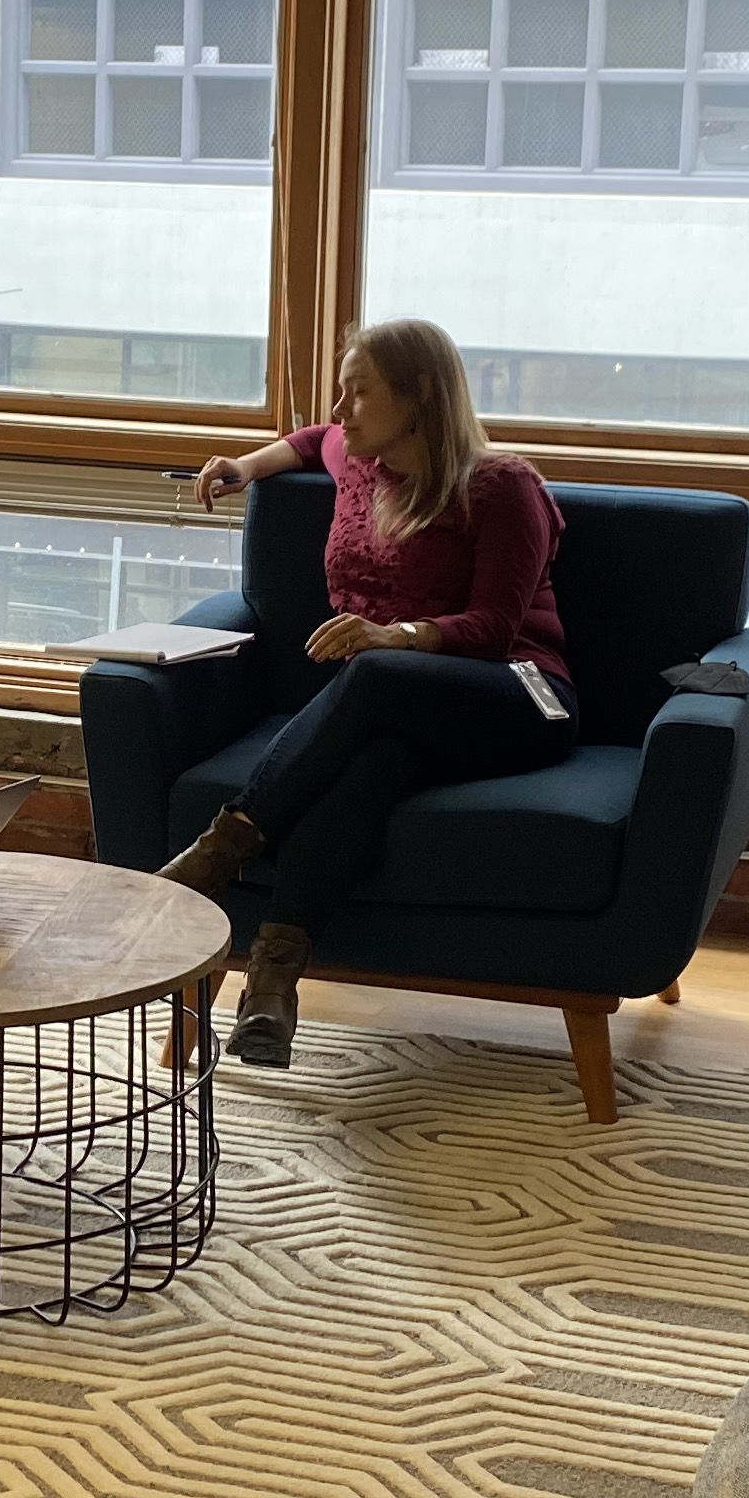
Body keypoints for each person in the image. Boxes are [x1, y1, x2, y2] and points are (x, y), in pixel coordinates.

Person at [156, 317, 574, 1069]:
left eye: (361, 391)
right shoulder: (358, 453)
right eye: (343, 391)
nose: (344, 408)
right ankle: (272, 991)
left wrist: (394, 637)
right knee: (375, 762)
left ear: (419, 396)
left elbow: (492, 627)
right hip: (397, 705)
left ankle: (218, 852)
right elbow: (314, 438)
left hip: (519, 694)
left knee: (374, 677)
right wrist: (247, 467)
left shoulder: (502, 487)